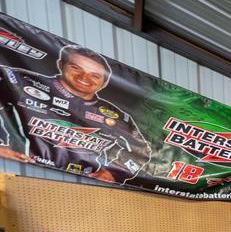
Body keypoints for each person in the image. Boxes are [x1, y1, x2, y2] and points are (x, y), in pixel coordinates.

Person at [0, 44, 151, 184]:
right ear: (61, 65)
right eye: (76, 68)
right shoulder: (19, 80)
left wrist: (114, 173)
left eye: (95, 75)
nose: (84, 78)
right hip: (23, 174)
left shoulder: (115, 115)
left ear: (104, 82)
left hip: (84, 186)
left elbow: (142, 152)